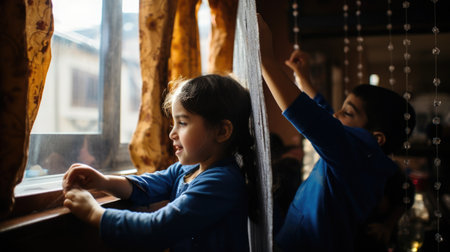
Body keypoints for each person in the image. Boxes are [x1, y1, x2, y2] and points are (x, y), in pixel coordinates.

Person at [258, 14, 416, 251]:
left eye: (348, 112)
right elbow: (327, 116)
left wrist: (266, 60)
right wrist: (304, 79)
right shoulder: (362, 157)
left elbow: (314, 119)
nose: (336, 115)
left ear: (376, 139)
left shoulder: (355, 157)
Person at [62, 74, 256, 251]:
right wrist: (104, 182)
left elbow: (156, 228)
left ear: (222, 131)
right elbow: (148, 185)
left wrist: (94, 213)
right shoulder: (187, 169)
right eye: (174, 123)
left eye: (182, 123)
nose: (172, 134)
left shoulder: (222, 182)